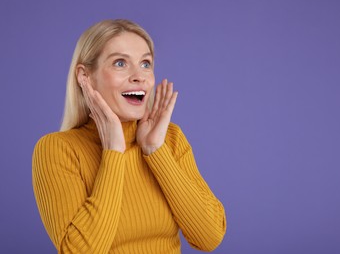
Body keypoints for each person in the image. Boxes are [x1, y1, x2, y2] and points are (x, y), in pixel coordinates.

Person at [32, 19, 226, 253]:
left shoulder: (170, 139)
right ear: (85, 77)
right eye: (120, 63)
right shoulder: (57, 149)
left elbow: (210, 236)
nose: (139, 76)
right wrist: (113, 151)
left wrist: (156, 150)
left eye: (145, 64)